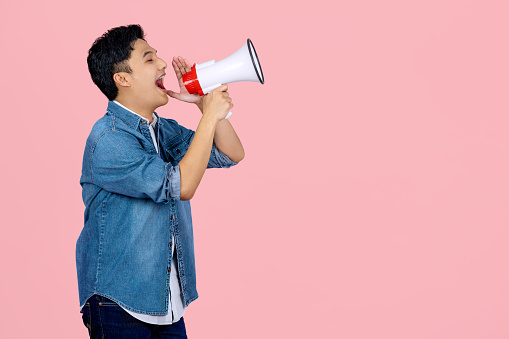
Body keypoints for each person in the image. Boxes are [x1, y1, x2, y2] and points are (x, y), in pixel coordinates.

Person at [76, 24, 244, 338]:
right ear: (122, 79)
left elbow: (230, 153)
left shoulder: (161, 129)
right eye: (149, 58)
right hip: (118, 303)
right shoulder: (109, 140)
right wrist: (208, 116)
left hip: (164, 301)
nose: (163, 64)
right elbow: (180, 186)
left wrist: (202, 103)